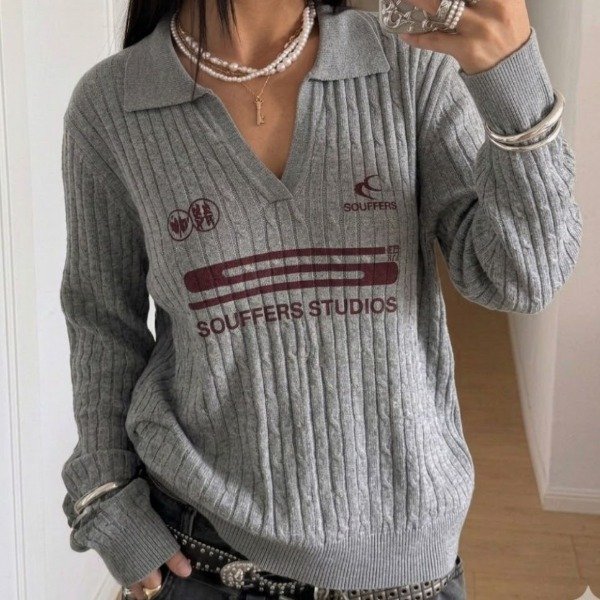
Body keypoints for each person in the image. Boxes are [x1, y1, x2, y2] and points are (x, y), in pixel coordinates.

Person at [58, 0, 582, 598]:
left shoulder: (408, 66)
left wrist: (511, 78)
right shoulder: (113, 105)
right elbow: (101, 319)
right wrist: (105, 495)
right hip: (202, 555)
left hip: (408, 569)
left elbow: (524, 276)